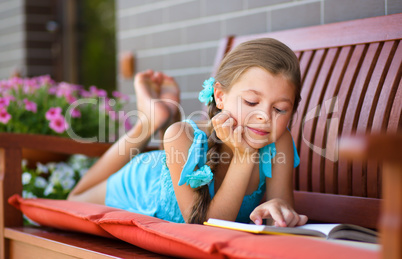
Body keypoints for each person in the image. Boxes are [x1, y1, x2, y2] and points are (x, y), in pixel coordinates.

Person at [68, 38, 308, 227]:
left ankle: (156, 118)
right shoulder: (180, 136)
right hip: (141, 182)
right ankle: (148, 122)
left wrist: (279, 209)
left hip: (173, 160)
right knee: (74, 200)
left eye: (279, 109)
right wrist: (244, 157)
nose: (264, 117)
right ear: (221, 96)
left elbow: (281, 211)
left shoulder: (279, 142)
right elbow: (206, 226)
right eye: (251, 102)